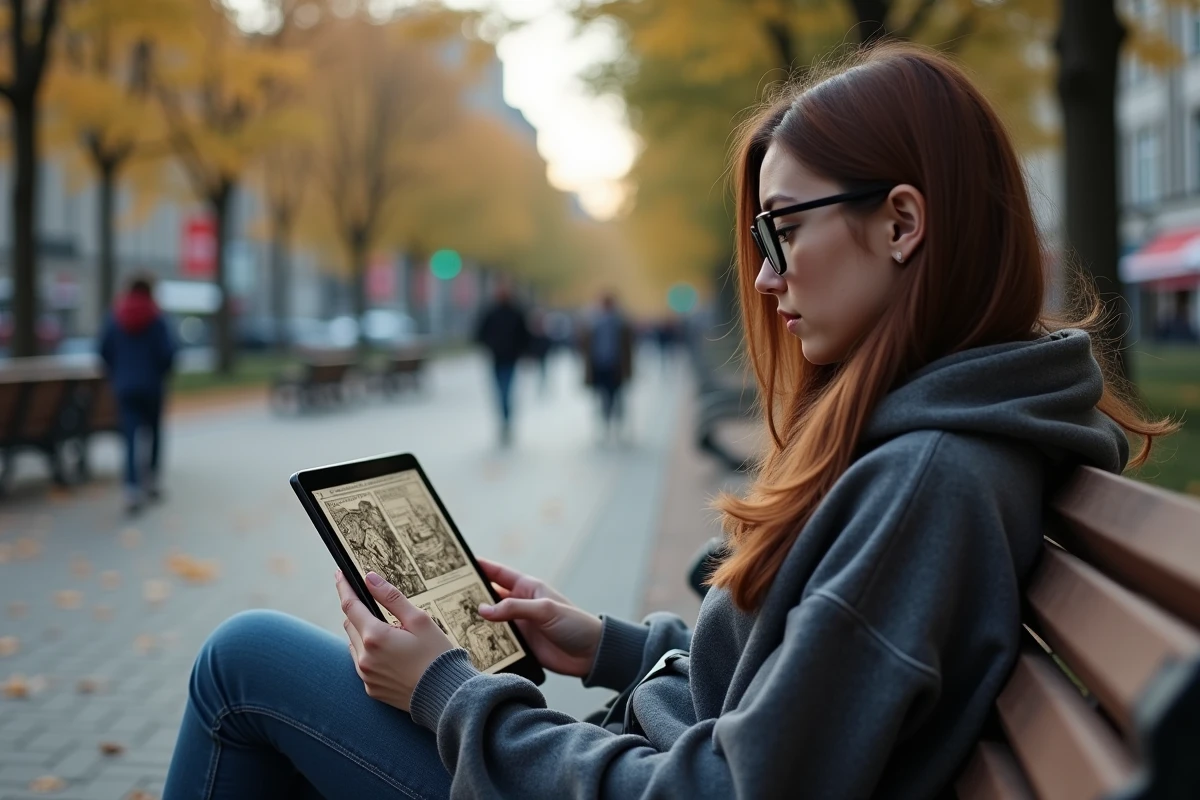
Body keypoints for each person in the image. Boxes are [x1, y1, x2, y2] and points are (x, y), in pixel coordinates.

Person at [162, 43, 1175, 799]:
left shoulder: (930, 477)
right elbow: (796, 689)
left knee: (240, 664)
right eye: (759, 237)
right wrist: (601, 641)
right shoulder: (940, 439)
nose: (767, 276)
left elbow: (729, 786)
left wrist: (446, 689)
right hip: (630, 747)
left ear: (903, 222)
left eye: (784, 228)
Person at [99, 275, 176, 515]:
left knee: (130, 438)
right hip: (152, 386)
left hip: (125, 387)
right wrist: (160, 372)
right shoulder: (157, 317)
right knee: (153, 434)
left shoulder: (115, 317)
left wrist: (118, 373)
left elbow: (103, 349)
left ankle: (131, 487)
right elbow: (169, 352)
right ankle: (151, 480)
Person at [473, 283, 530, 446]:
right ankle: (504, 419)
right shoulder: (492, 312)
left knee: (505, 391)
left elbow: (524, 335)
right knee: (500, 391)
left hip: (510, 358)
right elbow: (480, 333)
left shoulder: (514, 312)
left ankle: (506, 419)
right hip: (497, 358)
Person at [579, 293, 635, 439]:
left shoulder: (621, 323)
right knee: (604, 395)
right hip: (600, 364)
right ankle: (606, 422)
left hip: (615, 365)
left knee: (616, 396)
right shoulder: (593, 323)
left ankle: (615, 423)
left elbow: (629, 347)